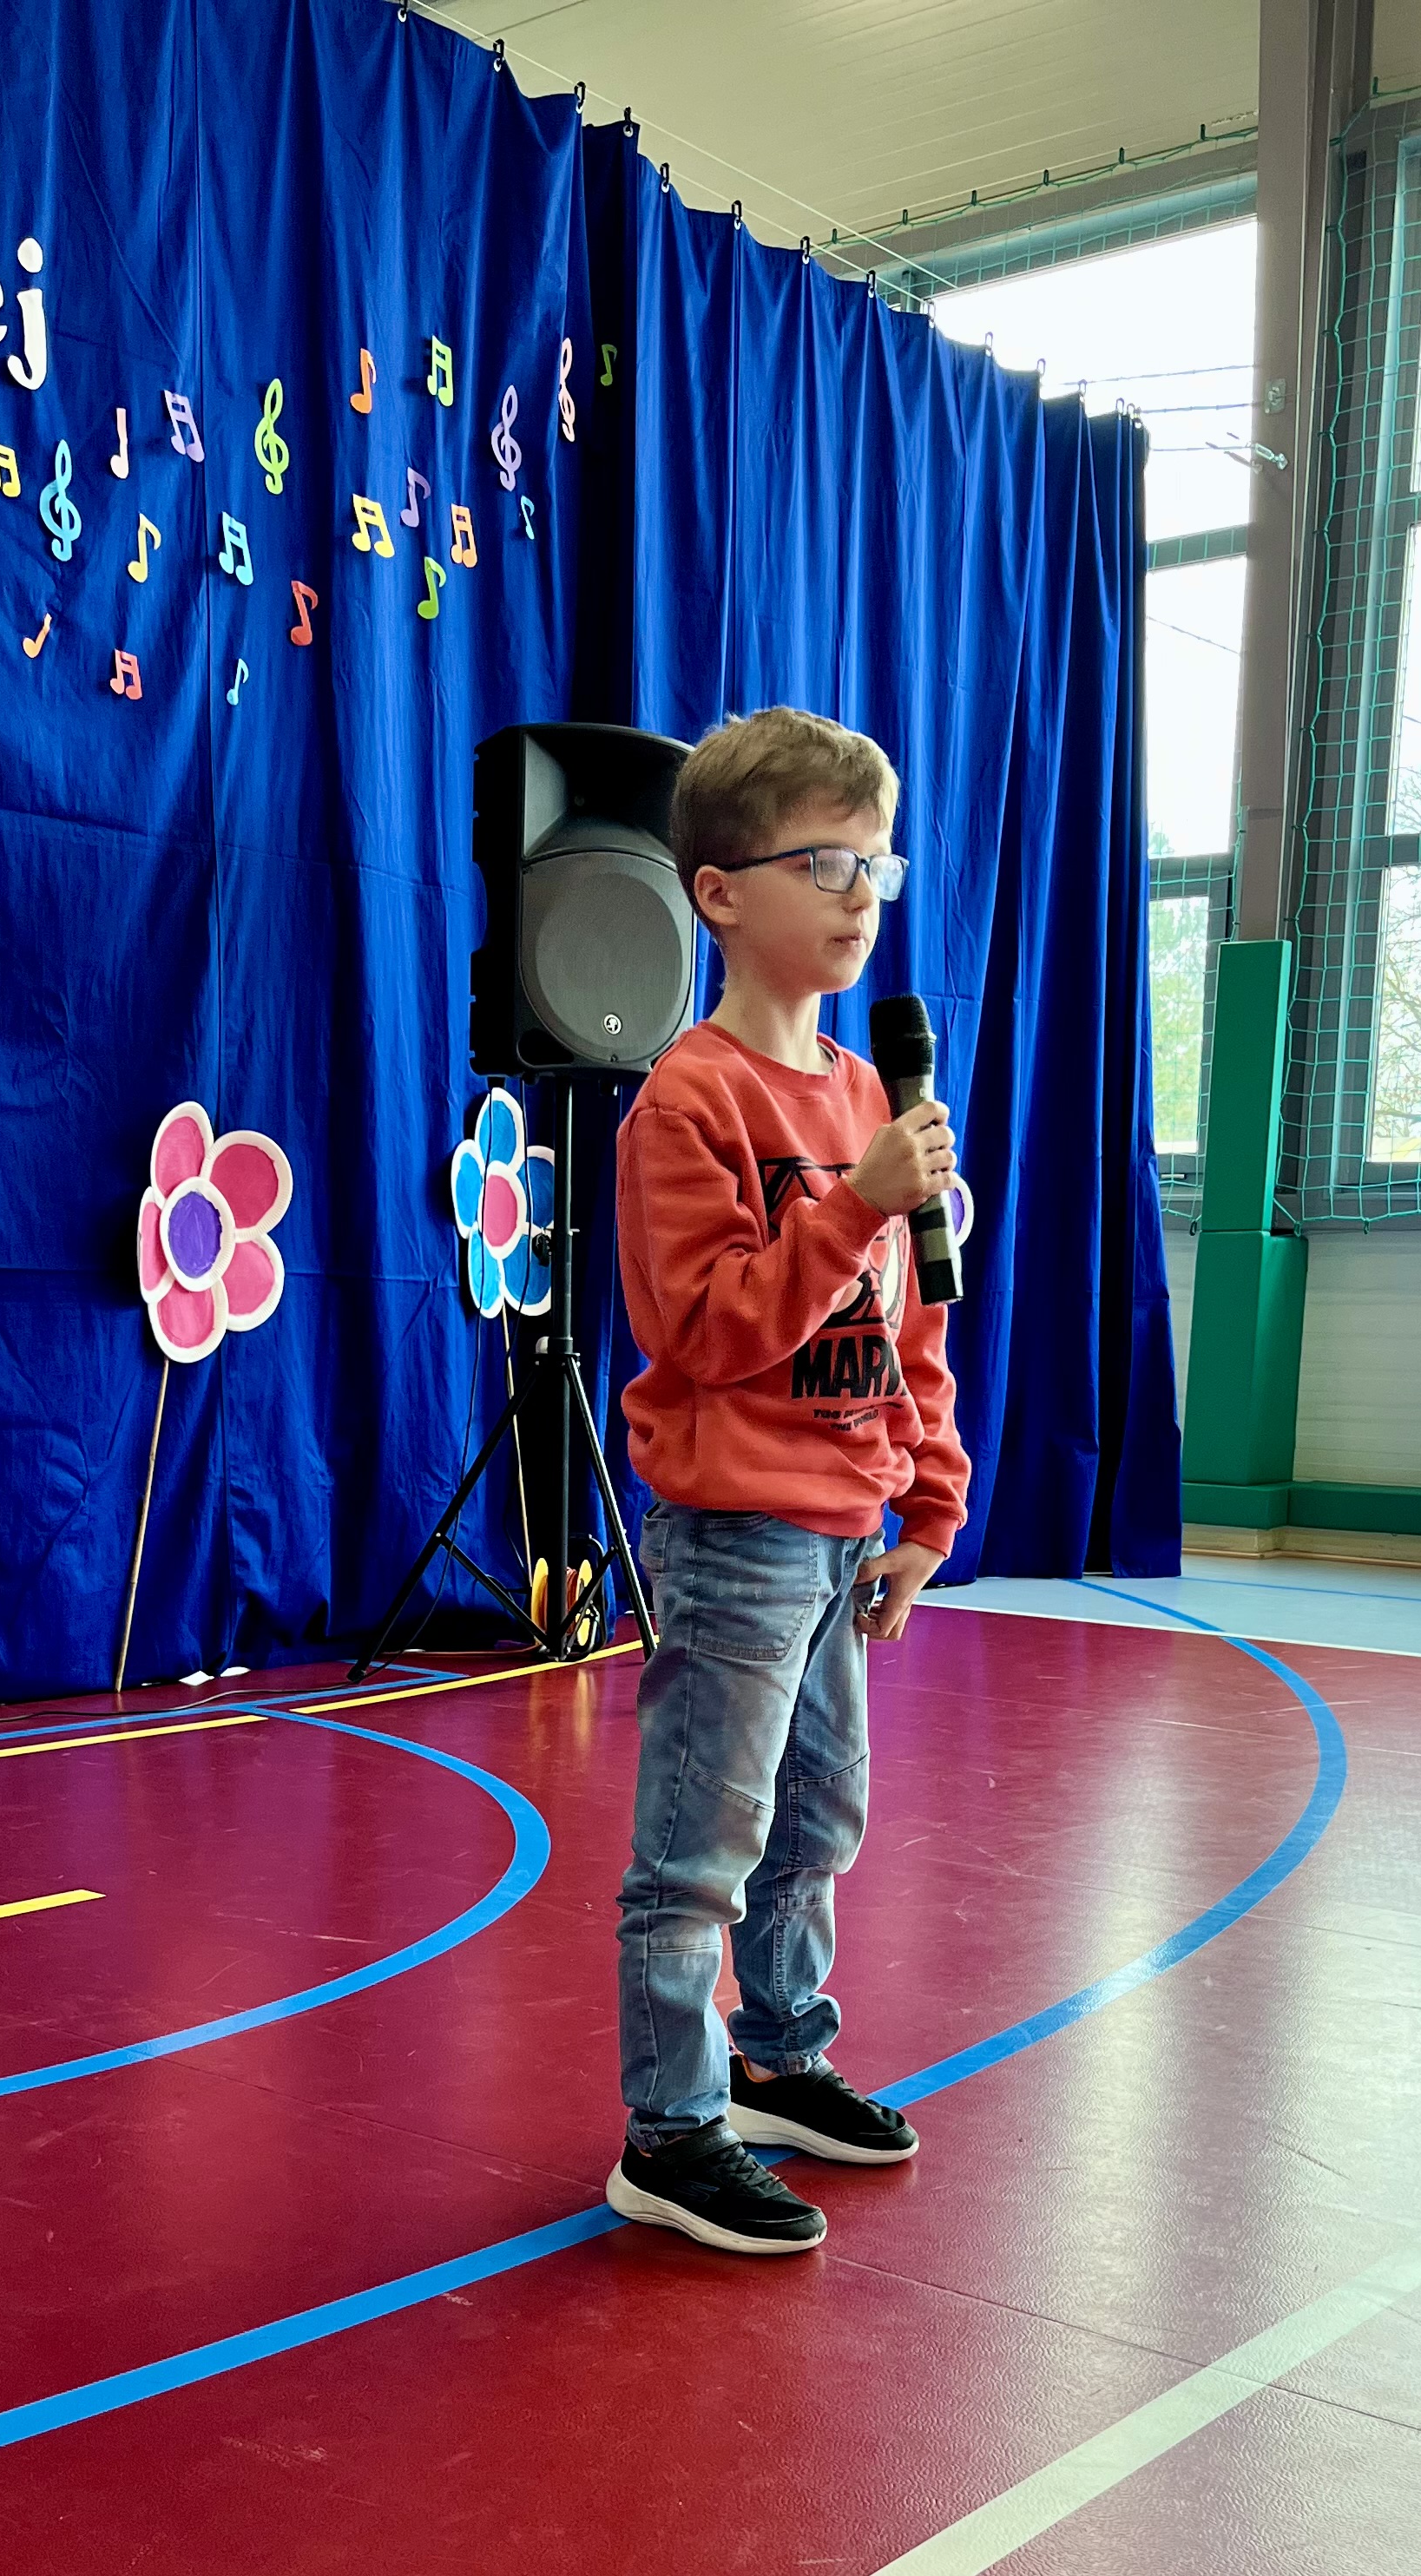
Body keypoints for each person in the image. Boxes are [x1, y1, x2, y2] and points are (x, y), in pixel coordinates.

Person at [604, 706, 970, 2257]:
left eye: (876, 864)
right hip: (737, 1527)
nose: (860, 893)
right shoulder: (691, 1102)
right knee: (704, 1846)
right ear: (720, 893)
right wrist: (851, 1207)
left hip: (844, 1525)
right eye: (824, 862)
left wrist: (928, 1506)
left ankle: (778, 2063)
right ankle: (670, 2132)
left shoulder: (871, 1095)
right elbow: (703, 1335)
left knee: (819, 1821)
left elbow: (914, 1324)